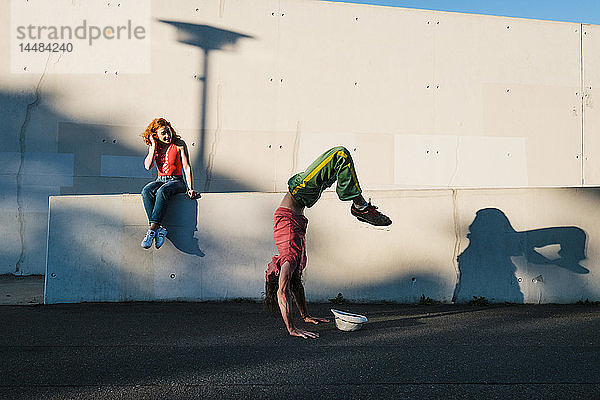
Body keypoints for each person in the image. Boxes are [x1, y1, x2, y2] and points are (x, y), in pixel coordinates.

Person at [264, 146, 392, 338]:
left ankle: (359, 205)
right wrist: (292, 329)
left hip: (302, 198)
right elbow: (282, 292)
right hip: (300, 192)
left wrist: (305, 316)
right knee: (340, 155)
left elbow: (297, 288)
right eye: (267, 271)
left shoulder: (293, 264)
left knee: (339, 166)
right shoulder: (289, 259)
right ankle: (360, 207)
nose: (266, 267)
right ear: (276, 272)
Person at [140, 118, 199, 249]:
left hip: (176, 181)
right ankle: (159, 229)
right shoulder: (155, 147)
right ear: (156, 135)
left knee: (162, 191)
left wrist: (190, 188)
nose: (167, 136)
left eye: (168, 132)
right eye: (163, 133)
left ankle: (152, 230)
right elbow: (147, 166)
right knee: (146, 191)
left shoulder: (179, 144)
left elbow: (186, 167)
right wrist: (153, 147)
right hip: (160, 180)